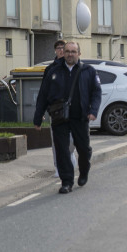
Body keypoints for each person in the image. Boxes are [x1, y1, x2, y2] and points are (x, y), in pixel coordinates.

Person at [33, 41, 101, 194]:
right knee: (62, 150)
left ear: (79, 53)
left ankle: (84, 170)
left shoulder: (88, 71)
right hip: (59, 118)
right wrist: (38, 117)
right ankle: (67, 182)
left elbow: (96, 92)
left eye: (73, 51)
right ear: (63, 53)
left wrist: (93, 111)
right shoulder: (53, 70)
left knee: (84, 149)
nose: (70, 54)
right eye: (67, 51)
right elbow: (43, 94)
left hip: (80, 117)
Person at [43, 40, 77, 178]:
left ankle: (69, 154)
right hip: (56, 111)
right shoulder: (50, 69)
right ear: (55, 51)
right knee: (56, 140)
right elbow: (44, 91)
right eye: (59, 48)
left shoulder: (75, 67)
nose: (61, 51)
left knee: (73, 139)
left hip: (74, 110)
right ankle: (59, 167)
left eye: (64, 48)